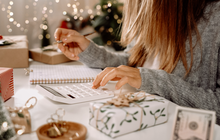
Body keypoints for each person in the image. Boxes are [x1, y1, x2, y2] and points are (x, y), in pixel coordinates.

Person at [54, 0, 220, 125]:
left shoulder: (215, 19)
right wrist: (88, 50)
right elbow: (132, 61)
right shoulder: (149, 11)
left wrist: (151, 80)